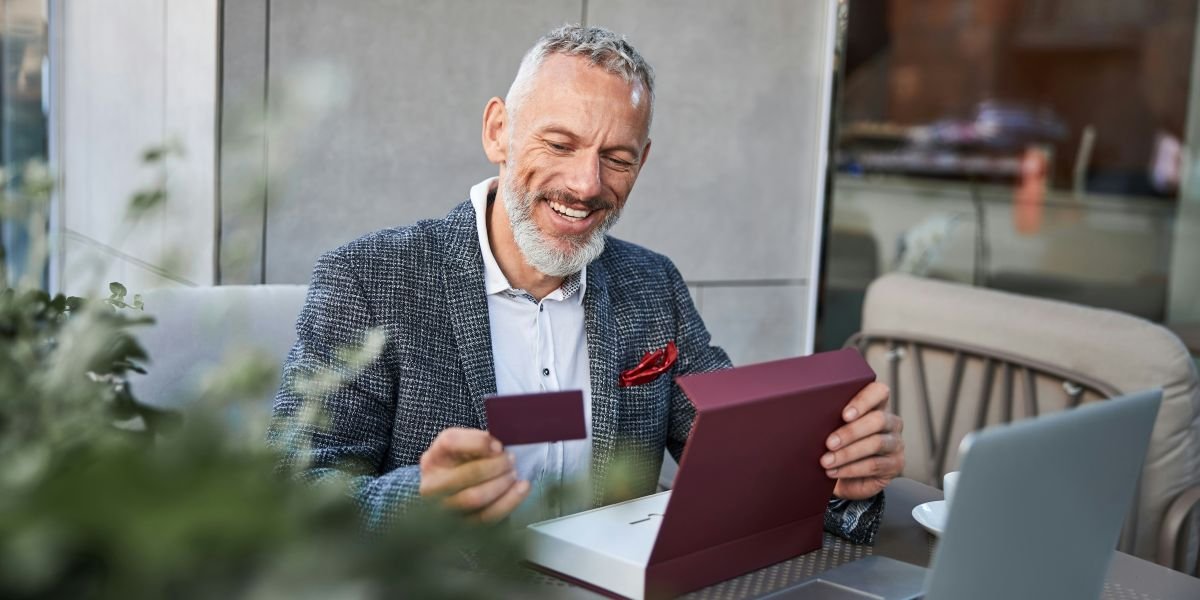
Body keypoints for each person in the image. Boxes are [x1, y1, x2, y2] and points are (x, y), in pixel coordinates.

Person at [270, 25, 904, 542]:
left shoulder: (653, 286)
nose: (586, 185)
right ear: (498, 131)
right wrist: (415, 499)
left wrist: (838, 471)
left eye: (617, 158)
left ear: (642, 161)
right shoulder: (369, 279)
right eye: (560, 143)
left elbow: (740, 465)